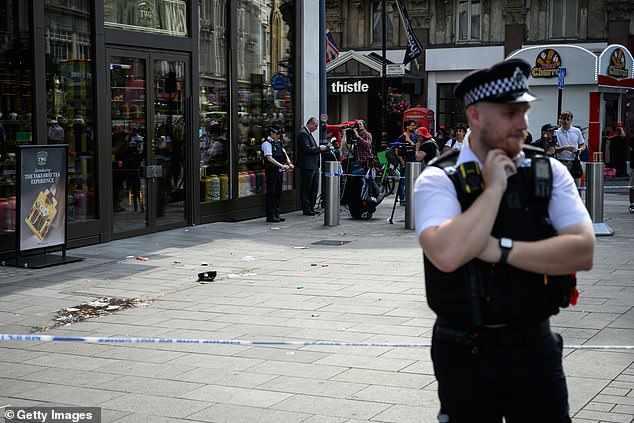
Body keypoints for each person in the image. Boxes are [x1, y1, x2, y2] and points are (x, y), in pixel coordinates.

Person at [414, 59, 595, 423]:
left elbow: (582, 249)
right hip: (464, 352)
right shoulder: (438, 178)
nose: (523, 124)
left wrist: (500, 249)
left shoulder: (546, 170)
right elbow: (448, 255)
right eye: (511, 112)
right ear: (476, 115)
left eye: (524, 111)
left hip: (535, 348)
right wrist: (494, 187)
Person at [262, 124, 293, 222]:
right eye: (276, 134)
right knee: (271, 192)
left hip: (279, 171)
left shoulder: (278, 143)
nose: (278, 136)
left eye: (279, 134)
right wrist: (282, 165)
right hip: (271, 170)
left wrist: (289, 163)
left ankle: (276, 213)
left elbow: (284, 153)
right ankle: (270, 215)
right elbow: (269, 158)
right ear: (271, 133)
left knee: (278, 192)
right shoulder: (267, 143)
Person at [296, 117, 327, 216]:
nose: (316, 128)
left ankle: (311, 207)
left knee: (314, 187)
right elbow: (307, 149)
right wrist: (319, 148)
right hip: (307, 166)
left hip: (313, 165)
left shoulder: (308, 133)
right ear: (310, 124)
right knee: (306, 188)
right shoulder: (303, 133)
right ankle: (307, 209)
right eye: (316, 126)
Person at [554, 111, 586, 185]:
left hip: (575, 161)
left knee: (576, 186)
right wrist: (565, 148)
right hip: (562, 162)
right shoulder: (556, 132)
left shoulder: (576, 131)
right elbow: (554, 149)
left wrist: (580, 150)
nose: (565, 121)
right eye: (563, 119)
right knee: (562, 186)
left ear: (571, 120)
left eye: (568, 119)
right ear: (560, 120)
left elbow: (582, 145)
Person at [395, 119, 418, 204]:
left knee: (412, 180)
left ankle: (410, 197)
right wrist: (402, 162)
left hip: (412, 160)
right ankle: (402, 198)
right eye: (412, 125)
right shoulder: (402, 137)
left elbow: (416, 147)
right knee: (403, 180)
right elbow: (397, 151)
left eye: (414, 125)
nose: (414, 127)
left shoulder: (414, 136)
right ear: (407, 126)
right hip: (404, 161)